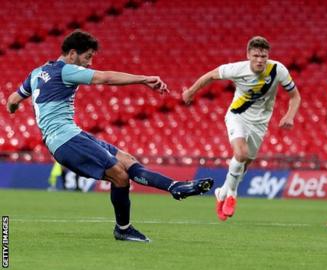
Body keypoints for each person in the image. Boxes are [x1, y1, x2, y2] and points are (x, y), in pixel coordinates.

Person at [6, 30, 213, 242]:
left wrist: (14, 108)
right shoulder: (65, 70)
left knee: (127, 160)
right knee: (120, 176)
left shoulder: (36, 73)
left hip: (72, 134)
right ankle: (123, 229)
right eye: (87, 57)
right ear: (72, 53)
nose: (88, 63)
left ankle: (175, 186)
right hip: (64, 139)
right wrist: (143, 79)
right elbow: (104, 78)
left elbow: (13, 99)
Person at [182, 36, 301, 221]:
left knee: (245, 163)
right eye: (256, 55)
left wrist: (290, 115)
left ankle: (222, 192)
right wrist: (190, 91)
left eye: (263, 55)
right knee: (241, 153)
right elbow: (210, 75)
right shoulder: (237, 69)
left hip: (260, 124)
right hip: (237, 116)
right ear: (248, 55)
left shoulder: (278, 70)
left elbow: (295, 96)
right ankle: (232, 195)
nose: (260, 60)